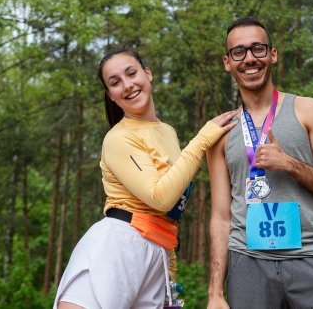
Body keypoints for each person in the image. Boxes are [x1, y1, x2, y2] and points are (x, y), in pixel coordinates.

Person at [54, 46, 238, 309]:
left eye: (132, 73)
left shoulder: (168, 132)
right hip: (120, 244)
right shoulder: (119, 137)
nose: (127, 85)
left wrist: (168, 263)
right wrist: (202, 140)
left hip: (157, 251)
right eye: (115, 82)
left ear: (148, 74)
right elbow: (159, 198)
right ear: (110, 95)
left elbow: (172, 209)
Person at [206, 17, 313, 309]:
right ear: (227, 62)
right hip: (247, 264)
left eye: (258, 49)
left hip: (310, 257)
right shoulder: (220, 132)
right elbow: (221, 217)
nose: (249, 58)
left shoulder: (308, 110)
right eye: (239, 52)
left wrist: (290, 163)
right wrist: (214, 293)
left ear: (272, 55)